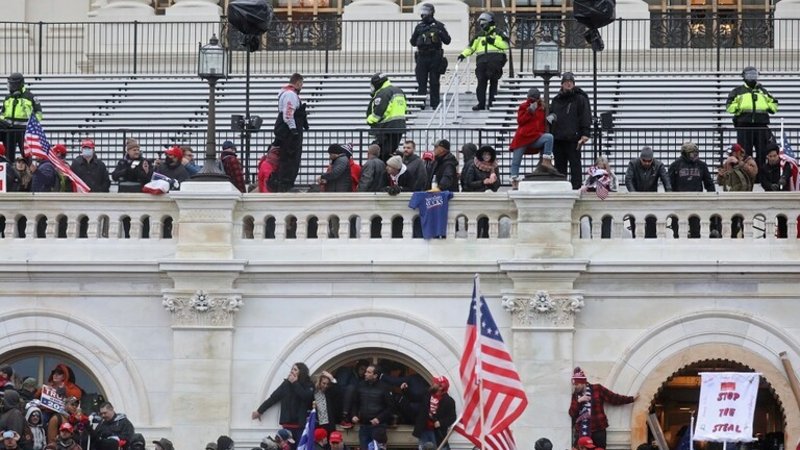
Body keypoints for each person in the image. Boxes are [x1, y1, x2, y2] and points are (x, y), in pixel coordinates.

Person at [569, 367, 636, 449]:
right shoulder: (575, 395)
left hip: (598, 429)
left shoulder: (597, 388)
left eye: (577, 384)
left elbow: (613, 398)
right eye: (574, 385)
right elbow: (572, 413)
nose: (575, 387)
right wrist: (579, 401)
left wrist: (631, 399)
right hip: (582, 431)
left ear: (583, 382)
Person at [725, 66, 778, 168]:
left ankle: (761, 176)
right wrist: (739, 108)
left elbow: (774, 105)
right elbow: (729, 106)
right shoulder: (737, 91)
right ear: (744, 77)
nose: (752, 77)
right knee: (745, 153)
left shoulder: (763, 91)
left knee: (762, 152)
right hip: (744, 126)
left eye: (754, 75)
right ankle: (747, 176)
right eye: (749, 75)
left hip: (761, 126)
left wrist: (767, 107)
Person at [252, 363, 314, 445]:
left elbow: (307, 397)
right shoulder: (286, 384)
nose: (292, 371)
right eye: (292, 369)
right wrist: (260, 411)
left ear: (301, 372)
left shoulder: (308, 384)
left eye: (295, 370)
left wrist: (295, 383)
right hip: (287, 424)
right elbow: (273, 398)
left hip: (300, 425)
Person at [549, 72, 592, 189]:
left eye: (570, 82)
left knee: (575, 164)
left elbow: (585, 115)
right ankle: (561, 188)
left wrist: (585, 133)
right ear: (561, 84)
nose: (568, 84)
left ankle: (576, 187)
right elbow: (551, 115)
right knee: (559, 166)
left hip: (573, 138)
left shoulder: (580, 98)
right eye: (566, 82)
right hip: (558, 138)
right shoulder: (556, 100)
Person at [458, 12, 508, 111]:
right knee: (481, 83)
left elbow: (506, 45)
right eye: (480, 21)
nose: (481, 23)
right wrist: (463, 55)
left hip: (495, 61)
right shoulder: (478, 35)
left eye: (483, 21)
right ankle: (481, 104)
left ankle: (491, 103)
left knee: (493, 83)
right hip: (481, 62)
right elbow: (471, 48)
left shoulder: (498, 33)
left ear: (490, 21)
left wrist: (493, 41)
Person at [509, 87, 559, 182]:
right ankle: (514, 181)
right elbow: (520, 121)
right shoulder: (524, 106)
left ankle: (546, 161)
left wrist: (553, 116)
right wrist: (529, 112)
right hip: (522, 138)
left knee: (549, 137)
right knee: (516, 161)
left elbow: (550, 116)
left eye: (534, 98)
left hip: (535, 137)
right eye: (531, 98)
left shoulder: (543, 108)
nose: (532, 100)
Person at [410, 3, 451, 110]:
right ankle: (421, 103)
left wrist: (439, 32)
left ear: (431, 12)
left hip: (435, 56)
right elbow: (413, 42)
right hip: (422, 57)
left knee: (434, 81)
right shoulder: (419, 26)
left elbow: (447, 41)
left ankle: (435, 104)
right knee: (421, 81)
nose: (424, 14)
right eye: (422, 12)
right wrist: (420, 34)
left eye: (426, 12)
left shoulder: (439, 25)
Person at [272, 73, 308, 193]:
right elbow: (288, 114)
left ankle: (285, 183)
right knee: (290, 158)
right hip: (289, 132)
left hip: (286, 130)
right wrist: (294, 130)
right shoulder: (290, 94)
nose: (302, 86)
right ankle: (286, 184)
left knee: (288, 158)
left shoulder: (286, 93)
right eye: (301, 84)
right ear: (298, 83)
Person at [348, 365, 392, 450]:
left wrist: (379, 419)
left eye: (368, 372)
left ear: (375, 375)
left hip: (379, 427)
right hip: (364, 426)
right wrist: (354, 415)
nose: (365, 374)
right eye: (366, 371)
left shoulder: (384, 387)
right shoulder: (360, 385)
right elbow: (355, 403)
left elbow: (391, 407)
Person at [1, 73, 43, 162]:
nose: (10, 86)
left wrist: (32, 123)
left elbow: (39, 113)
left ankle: (28, 173)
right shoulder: (8, 97)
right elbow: (3, 113)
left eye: (11, 84)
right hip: (9, 131)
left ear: (17, 84)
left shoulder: (30, 97)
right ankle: (10, 174)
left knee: (26, 155)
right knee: (8, 156)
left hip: (24, 131)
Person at [366, 74, 407, 162]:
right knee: (391, 152)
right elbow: (405, 108)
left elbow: (379, 112)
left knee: (383, 154)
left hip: (386, 128)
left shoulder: (383, 93)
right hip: (399, 127)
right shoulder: (399, 91)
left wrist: (369, 120)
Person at [411, 376, 455, 450]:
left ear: (440, 387)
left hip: (437, 433)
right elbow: (415, 397)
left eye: (435, 383)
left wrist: (440, 423)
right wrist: (405, 390)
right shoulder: (427, 394)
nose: (433, 384)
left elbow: (452, 418)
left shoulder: (449, 401)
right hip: (424, 430)